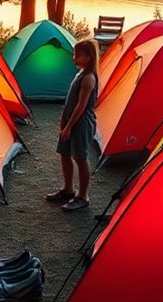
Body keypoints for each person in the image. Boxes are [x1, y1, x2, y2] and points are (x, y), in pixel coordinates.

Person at [45, 38, 99, 211]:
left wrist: (69, 126)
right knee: (64, 153)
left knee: (80, 158)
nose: (74, 58)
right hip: (70, 121)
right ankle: (68, 189)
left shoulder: (89, 78)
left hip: (81, 124)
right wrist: (63, 121)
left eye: (78, 55)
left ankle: (83, 196)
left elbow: (81, 107)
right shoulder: (80, 74)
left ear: (88, 57)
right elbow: (70, 102)